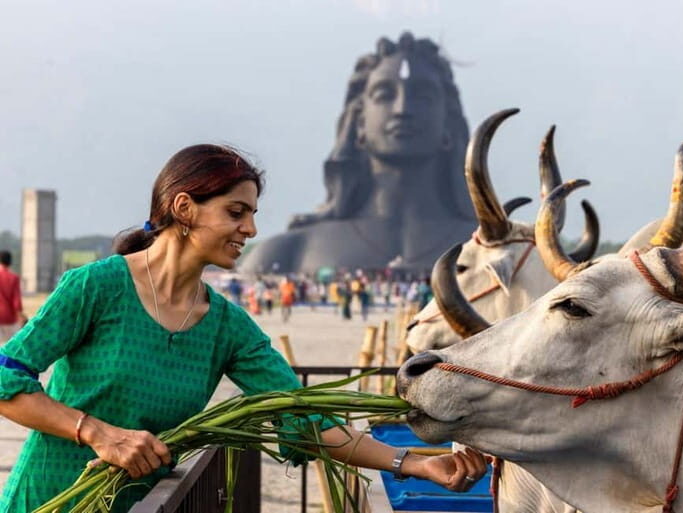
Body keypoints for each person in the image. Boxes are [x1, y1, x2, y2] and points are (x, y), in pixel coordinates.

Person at [0, 145, 486, 512]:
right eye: (236, 212)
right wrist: (98, 433)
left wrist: (416, 463)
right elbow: (7, 379)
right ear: (184, 208)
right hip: (49, 496)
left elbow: (307, 418)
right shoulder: (96, 286)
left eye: (252, 215)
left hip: (141, 503)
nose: (250, 230)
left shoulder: (228, 327)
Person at [240, 32, 476, 275]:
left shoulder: (488, 249)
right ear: (360, 123)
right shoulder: (287, 252)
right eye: (384, 95)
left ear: (448, 123)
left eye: (423, 96)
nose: (402, 109)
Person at [0, 251, 26, 345]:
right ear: (10, 262)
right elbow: (16, 302)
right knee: (12, 346)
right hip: (10, 319)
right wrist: (22, 317)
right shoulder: (14, 278)